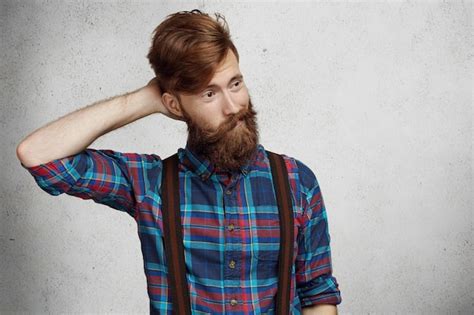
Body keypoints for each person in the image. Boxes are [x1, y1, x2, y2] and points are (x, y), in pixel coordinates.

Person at [16, 9, 342, 314]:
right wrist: (142, 100)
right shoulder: (151, 183)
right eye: (209, 94)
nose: (233, 106)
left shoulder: (296, 180)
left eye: (235, 84)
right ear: (174, 104)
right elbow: (39, 155)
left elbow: (318, 293)